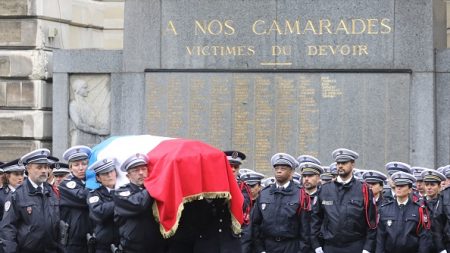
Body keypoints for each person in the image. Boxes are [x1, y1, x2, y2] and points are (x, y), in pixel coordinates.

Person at [311, 148, 377, 253]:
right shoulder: (325, 189)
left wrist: (367, 248)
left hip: (355, 246)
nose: (340, 166)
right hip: (330, 246)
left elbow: (371, 221)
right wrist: (316, 244)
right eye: (338, 163)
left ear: (353, 164)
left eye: (344, 163)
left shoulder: (363, 190)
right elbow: (316, 218)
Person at [248, 153, 310, 253]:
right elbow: (256, 224)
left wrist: (301, 250)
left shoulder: (300, 194)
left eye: (283, 168)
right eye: (276, 168)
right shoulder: (265, 193)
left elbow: (305, 228)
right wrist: (260, 249)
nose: (279, 171)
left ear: (292, 172)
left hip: (291, 246)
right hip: (268, 246)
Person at [0, 149, 60, 253]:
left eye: (46, 167)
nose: (44, 171)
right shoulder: (17, 195)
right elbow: (8, 229)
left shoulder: (51, 192)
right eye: (39, 167)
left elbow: (58, 226)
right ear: (28, 169)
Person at [114, 153, 165, 253]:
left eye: (144, 169)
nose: (141, 173)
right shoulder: (121, 192)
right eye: (136, 170)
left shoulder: (154, 189)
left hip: (157, 245)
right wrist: (152, 186)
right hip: (133, 247)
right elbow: (138, 205)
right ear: (128, 176)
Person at [376, 171, 432, 253]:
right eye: (397, 186)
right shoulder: (384, 209)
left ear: (410, 190)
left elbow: (424, 237)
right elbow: (380, 237)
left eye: (402, 186)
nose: (398, 188)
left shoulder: (419, 210)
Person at [59, 145, 93, 252]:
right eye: (76, 165)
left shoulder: (91, 182)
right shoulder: (66, 184)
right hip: (74, 238)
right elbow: (83, 197)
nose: (81, 168)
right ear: (70, 168)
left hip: (92, 235)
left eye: (84, 164)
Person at [87, 158, 120, 253]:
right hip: (104, 245)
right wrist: (121, 202)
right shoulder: (94, 194)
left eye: (111, 171)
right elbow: (99, 213)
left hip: (123, 242)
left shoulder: (122, 191)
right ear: (98, 178)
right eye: (105, 173)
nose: (109, 175)